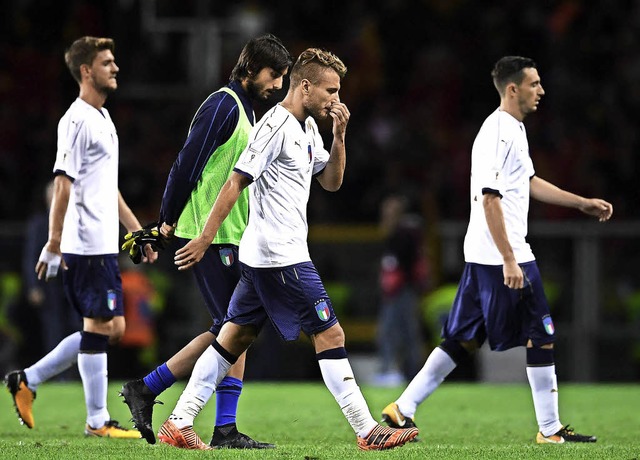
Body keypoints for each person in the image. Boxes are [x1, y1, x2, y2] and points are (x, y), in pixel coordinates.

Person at [162, 47, 419, 451]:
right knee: (330, 333)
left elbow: (331, 182)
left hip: (269, 255)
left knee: (234, 337)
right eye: (330, 90)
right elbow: (235, 182)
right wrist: (206, 236)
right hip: (281, 256)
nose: (336, 99)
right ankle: (367, 429)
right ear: (304, 86)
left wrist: (340, 136)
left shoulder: (310, 128)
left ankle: (179, 420)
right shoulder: (274, 126)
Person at [381, 56, 612, 444]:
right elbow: (490, 198)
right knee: (541, 333)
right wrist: (508, 257)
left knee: (463, 338)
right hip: (503, 254)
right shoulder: (498, 132)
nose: (541, 90)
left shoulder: (513, 130)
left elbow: (530, 181)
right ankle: (550, 428)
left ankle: (402, 407)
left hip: (486, 254)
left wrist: (580, 202)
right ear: (513, 89)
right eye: (535, 83)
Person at [119, 34, 293, 449]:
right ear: (250, 69)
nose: (279, 85)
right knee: (234, 328)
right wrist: (165, 223)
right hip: (207, 235)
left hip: (231, 234)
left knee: (236, 329)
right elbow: (186, 164)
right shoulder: (222, 105)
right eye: (274, 75)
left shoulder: (248, 111)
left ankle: (172, 400)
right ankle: (177, 404)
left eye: (284, 77)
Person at [4, 36, 157, 438]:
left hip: (103, 244)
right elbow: (63, 184)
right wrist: (54, 242)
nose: (116, 68)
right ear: (86, 71)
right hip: (85, 244)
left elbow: (108, 187)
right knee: (99, 324)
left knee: (113, 329)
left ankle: (28, 379)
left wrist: (135, 231)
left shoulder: (103, 119)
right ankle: (97, 421)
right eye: (107, 63)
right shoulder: (76, 120)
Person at [22, 180, 81, 362]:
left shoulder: (77, 223)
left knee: (77, 328)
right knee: (54, 330)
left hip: (74, 284)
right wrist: (33, 287)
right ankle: (58, 377)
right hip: (49, 285)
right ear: (48, 198)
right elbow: (30, 257)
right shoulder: (39, 224)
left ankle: (75, 374)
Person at [374, 194, 427, 387]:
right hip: (394, 291)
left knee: (400, 332)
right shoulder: (394, 233)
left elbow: (406, 263)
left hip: (404, 289)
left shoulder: (405, 233)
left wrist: (399, 281)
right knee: (397, 331)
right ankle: (399, 371)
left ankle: (399, 372)